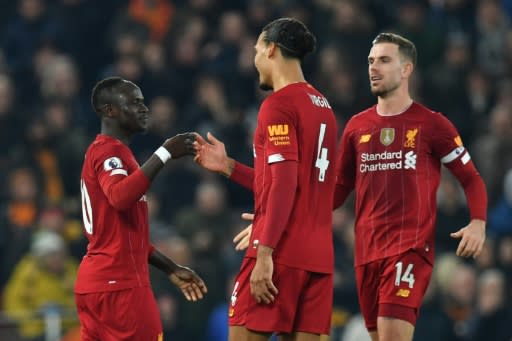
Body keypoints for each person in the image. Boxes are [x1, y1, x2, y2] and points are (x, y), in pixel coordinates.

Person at [332, 33, 487, 341]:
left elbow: (471, 178)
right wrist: (283, 218)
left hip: (409, 249)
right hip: (366, 254)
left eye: (384, 60)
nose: (374, 68)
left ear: (406, 70)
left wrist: (478, 222)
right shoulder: (355, 127)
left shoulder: (432, 124)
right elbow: (336, 190)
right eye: (371, 61)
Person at [194, 18, 338, 341]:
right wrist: (229, 166)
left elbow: (285, 184)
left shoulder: (279, 105)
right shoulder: (324, 107)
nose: (255, 58)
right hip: (318, 257)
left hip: (281, 253)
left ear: (271, 49)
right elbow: (299, 182)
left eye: (256, 50)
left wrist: (265, 250)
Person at [75, 76, 207, 341]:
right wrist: (165, 152)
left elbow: (127, 238)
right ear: (110, 110)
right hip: (120, 288)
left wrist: (170, 268)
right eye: (135, 102)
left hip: (98, 284)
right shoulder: (110, 153)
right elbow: (120, 197)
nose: (144, 108)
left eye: (143, 102)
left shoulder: (110, 153)